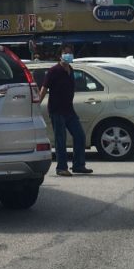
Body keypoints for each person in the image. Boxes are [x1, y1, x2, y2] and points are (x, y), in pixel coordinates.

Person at [39, 45, 92, 176]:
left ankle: (78, 165)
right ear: (60, 56)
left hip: (69, 110)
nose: (68, 55)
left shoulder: (71, 70)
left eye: (70, 53)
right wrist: (36, 105)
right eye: (65, 53)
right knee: (60, 140)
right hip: (57, 110)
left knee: (80, 136)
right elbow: (44, 89)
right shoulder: (53, 71)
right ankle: (61, 168)